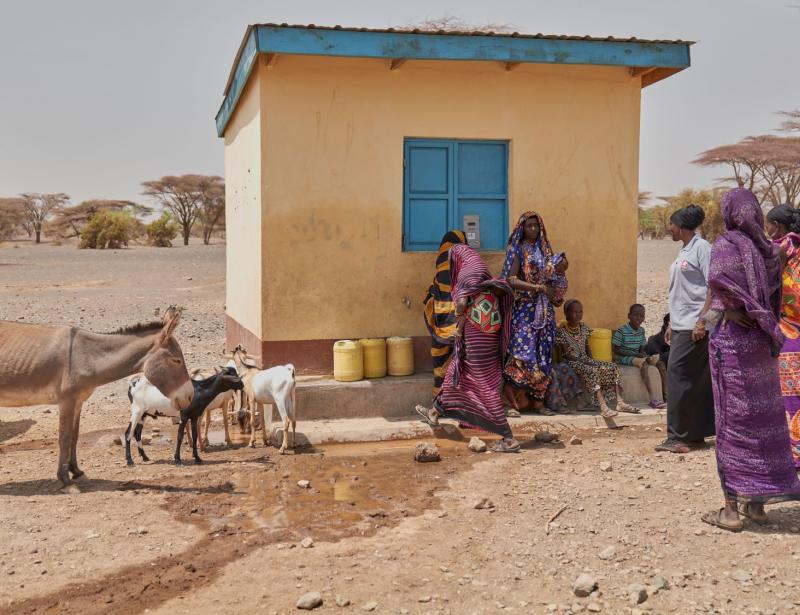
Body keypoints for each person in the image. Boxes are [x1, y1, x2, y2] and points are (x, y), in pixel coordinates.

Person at [701, 188, 800, 532]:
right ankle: (756, 505)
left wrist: (726, 311)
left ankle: (730, 510)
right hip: (762, 346)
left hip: (732, 345)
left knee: (731, 424)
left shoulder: (724, 246)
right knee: (763, 421)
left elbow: (719, 289)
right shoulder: (770, 252)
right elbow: (774, 296)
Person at [416, 244, 520, 453]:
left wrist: (458, 316)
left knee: (482, 385)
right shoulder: (482, 271)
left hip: (475, 339)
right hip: (489, 338)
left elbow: (462, 301)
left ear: (458, 259)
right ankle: (435, 412)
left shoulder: (466, 273)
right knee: (457, 372)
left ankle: (508, 438)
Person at [655, 204, 715, 454]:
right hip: (680, 324)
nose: (670, 228)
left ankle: (677, 437)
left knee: (678, 377)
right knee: (692, 379)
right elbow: (679, 292)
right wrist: (670, 323)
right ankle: (695, 435)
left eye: (672, 223)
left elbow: (713, 286)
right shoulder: (684, 251)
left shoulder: (702, 248)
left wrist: (702, 321)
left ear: (680, 226)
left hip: (694, 325)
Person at [501, 212, 567, 416]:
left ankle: (538, 403)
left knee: (543, 356)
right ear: (522, 228)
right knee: (523, 355)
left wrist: (555, 294)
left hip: (545, 312)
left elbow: (555, 277)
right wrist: (537, 288)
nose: (533, 229)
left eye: (536, 226)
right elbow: (511, 280)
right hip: (525, 311)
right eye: (529, 226)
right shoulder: (519, 250)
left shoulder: (546, 251)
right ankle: (510, 403)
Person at [556, 299, 639, 418]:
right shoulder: (562, 331)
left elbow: (587, 347)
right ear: (566, 313)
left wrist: (592, 360)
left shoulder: (583, 327)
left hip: (585, 360)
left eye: (580, 311)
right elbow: (566, 354)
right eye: (574, 312)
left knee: (612, 366)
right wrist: (584, 362)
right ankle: (603, 406)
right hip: (572, 362)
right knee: (592, 370)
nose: (578, 314)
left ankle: (620, 402)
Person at [766, 204, 800, 469]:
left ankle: (795, 453)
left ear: (776, 226)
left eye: (767, 225)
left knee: (790, 393)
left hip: (790, 330)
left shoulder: (786, 244)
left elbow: (768, 273)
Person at [423, 230, 468, 398]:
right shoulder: (464, 264)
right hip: (458, 322)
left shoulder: (441, 263)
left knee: (440, 357)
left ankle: (438, 396)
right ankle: (453, 400)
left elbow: (434, 292)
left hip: (440, 321)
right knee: (457, 359)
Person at [612, 304, 667, 409]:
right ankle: (652, 398)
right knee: (644, 364)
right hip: (623, 357)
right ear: (629, 316)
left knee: (660, 363)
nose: (639, 318)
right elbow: (615, 350)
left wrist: (644, 354)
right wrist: (635, 354)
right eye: (635, 315)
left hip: (638, 356)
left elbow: (641, 348)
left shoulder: (641, 330)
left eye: (641, 316)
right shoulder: (621, 331)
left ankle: (666, 396)